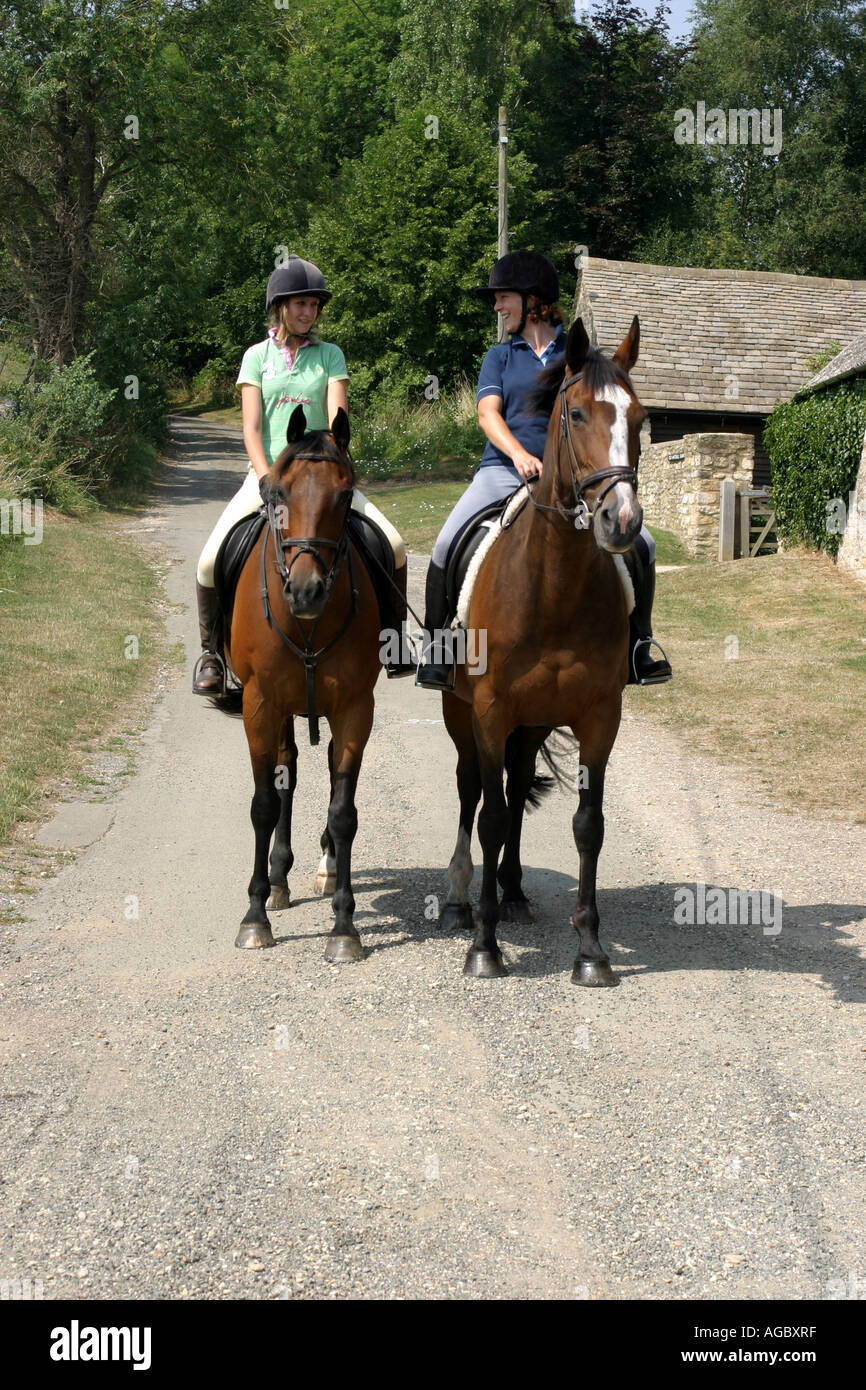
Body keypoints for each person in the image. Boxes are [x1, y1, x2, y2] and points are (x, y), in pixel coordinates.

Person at [415, 248, 672, 690]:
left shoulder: (578, 354)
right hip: (501, 470)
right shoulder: (500, 357)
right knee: (445, 542)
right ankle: (439, 648)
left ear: (531, 299)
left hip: (573, 479)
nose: (496, 306)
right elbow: (487, 415)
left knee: (643, 545)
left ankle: (638, 645)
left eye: (502, 297)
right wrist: (518, 454)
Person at [193, 255, 411, 694]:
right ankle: (212, 654)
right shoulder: (256, 358)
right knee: (209, 560)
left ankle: (395, 641)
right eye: (300, 305)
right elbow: (251, 428)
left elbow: (337, 417)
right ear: (280, 308)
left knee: (394, 544)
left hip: (324, 476)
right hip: (272, 478)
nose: (308, 313)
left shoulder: (331, 355)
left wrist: (337, 460)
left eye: (313, 305)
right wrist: (264, 479)